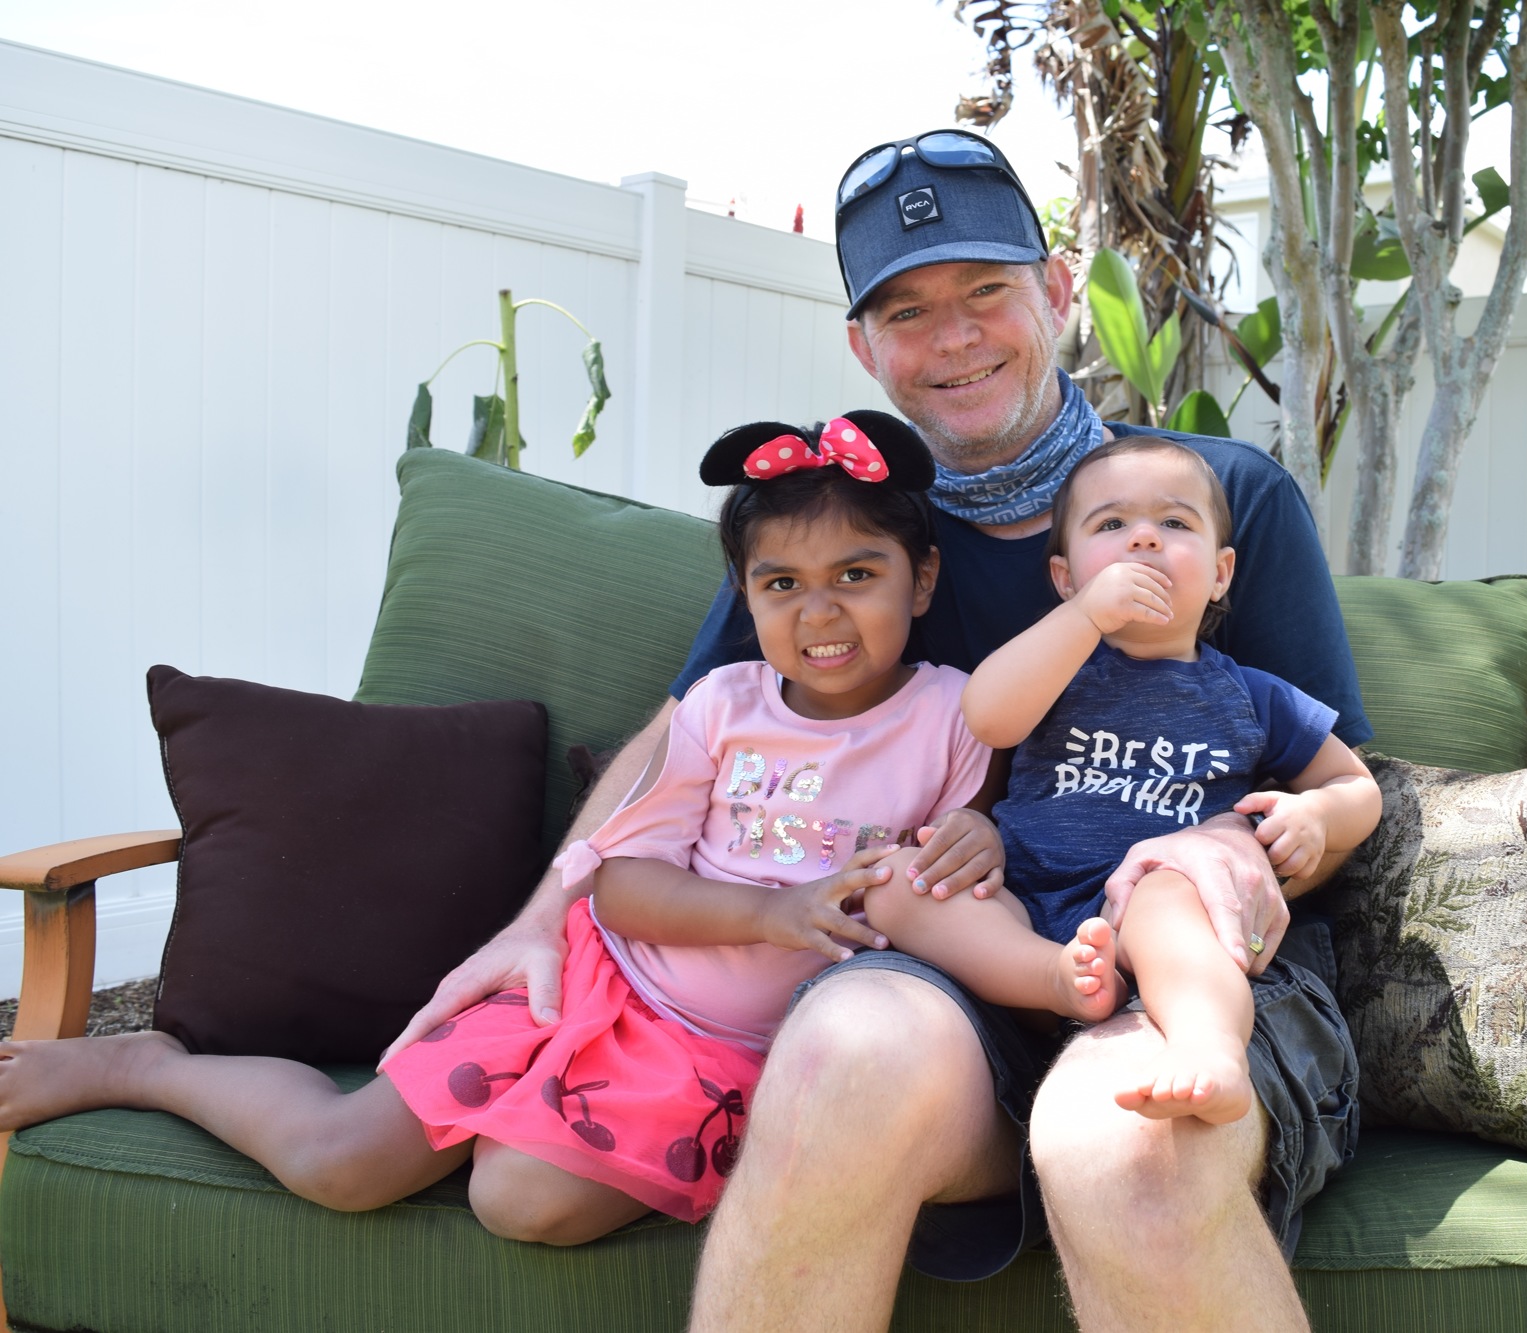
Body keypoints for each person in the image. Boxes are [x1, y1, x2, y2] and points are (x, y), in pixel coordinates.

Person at [382, 129, 1377, 1330]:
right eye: (906, 312)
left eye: (985, 293)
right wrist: (549, 908)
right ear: (862, 345)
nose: (952, 338)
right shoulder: (851, 530)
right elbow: (691, 725)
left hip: (1184, 958)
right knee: (837, 1059)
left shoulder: (1201, 497)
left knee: (1125, 1149)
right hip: (949, 957)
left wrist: (1231, 840)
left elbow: (1334, 773)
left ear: (1058, 290)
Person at [0, 410, 1002, 1246]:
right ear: (744, 595)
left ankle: (516, 1129)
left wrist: (980, 846)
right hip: (602, 979)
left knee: (521, 1200)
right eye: (781, 582)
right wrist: (775, 912)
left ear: (918, 581)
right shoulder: (720, 708)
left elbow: (962, 868)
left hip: (739, 1055)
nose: (818, 611)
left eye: (855, 575)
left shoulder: (957, 719)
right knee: (341, 1163)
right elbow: (619, 882)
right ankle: (152, 1068)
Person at [862, 436, 1381, 1128]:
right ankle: (1057, 979)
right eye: (1110, 525)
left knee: (1172, 898)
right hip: (1019, 897)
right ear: (1066, 577)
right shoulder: (1055, 664)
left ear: (1222, 572)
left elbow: (1357, 785)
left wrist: (1315, 815)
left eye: (1174, 523)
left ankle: (1209, 1050)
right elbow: (987, 715)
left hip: (1144, 901)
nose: (1143, 540)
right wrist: (1082, 621)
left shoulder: (1253, 696)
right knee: (895, 882)